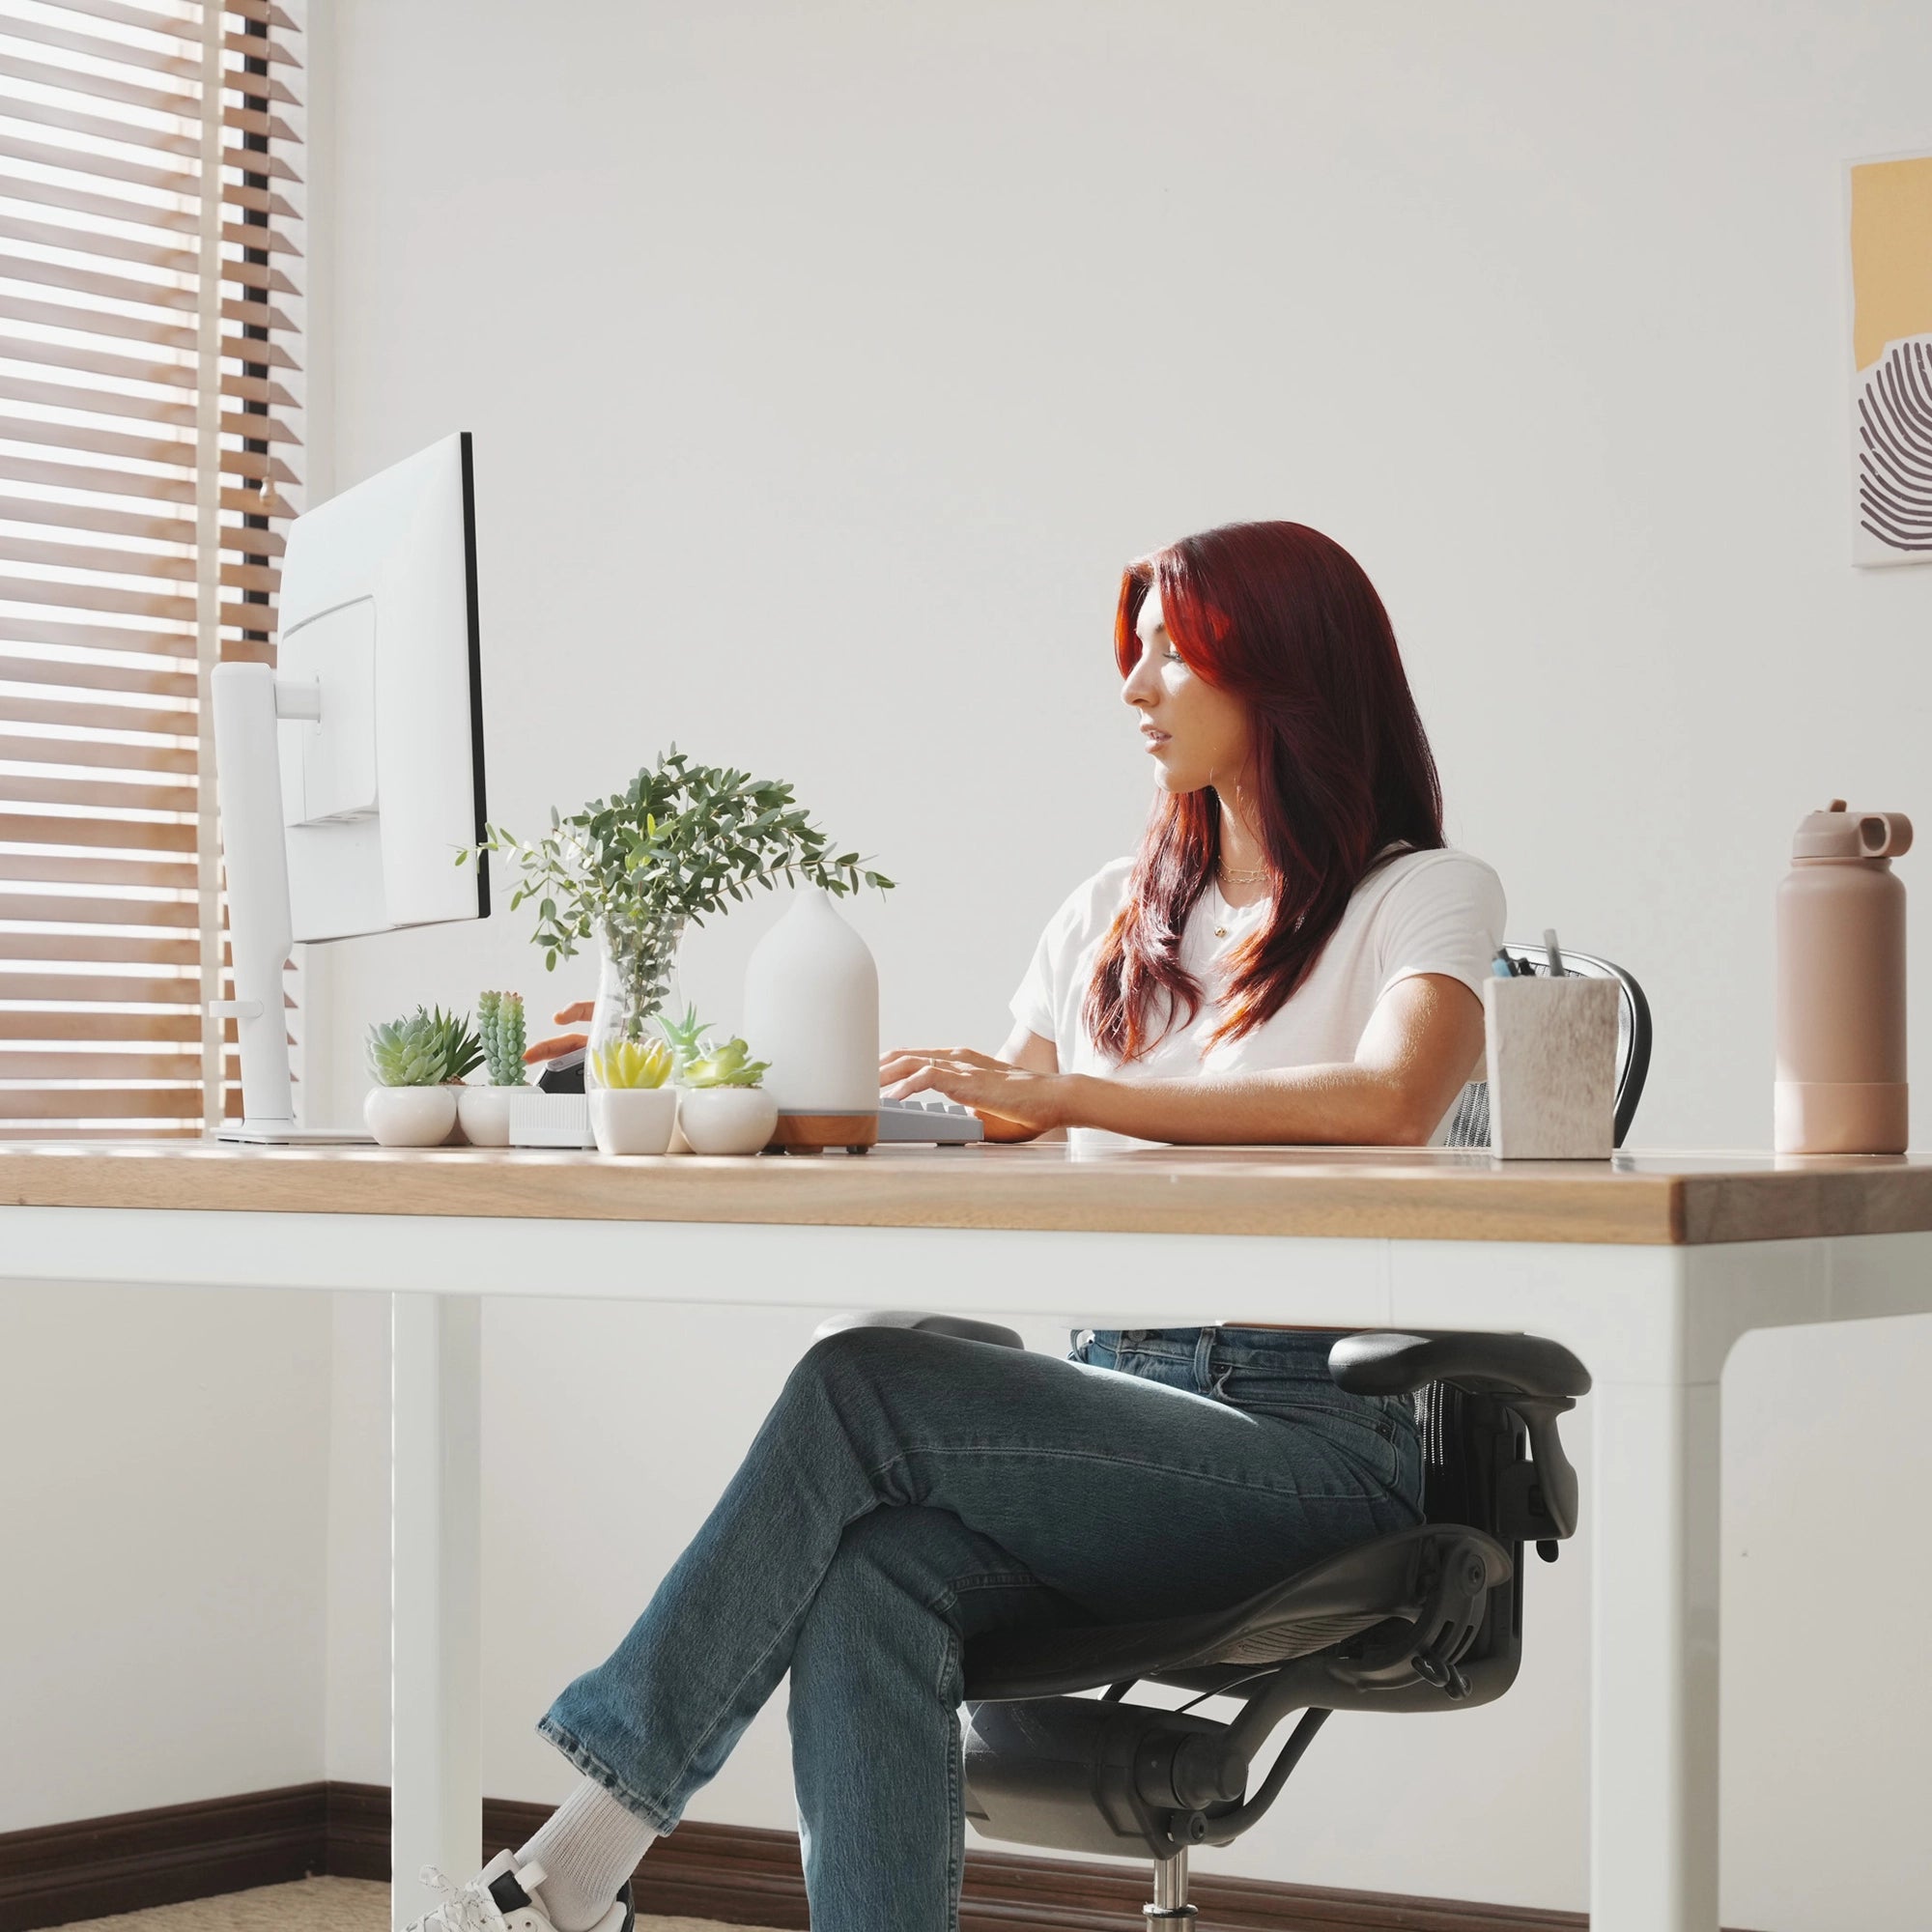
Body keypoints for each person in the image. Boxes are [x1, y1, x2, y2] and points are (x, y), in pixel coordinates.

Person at [411, 522, 1503, 1932]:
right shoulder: (1112, 918)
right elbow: (985, 1114)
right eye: (1140, 652)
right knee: (870, 1573)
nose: (1137, 686)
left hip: (1308, 1453)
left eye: (1175, 650)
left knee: (860, 1390)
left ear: (1284, 665)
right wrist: (687, 1063)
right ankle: (588, 1877)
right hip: (1117, 1417)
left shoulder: (1421, 893)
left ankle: (574, 1869)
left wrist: (1081, 1092)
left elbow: (1395, 1096)